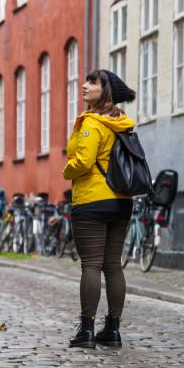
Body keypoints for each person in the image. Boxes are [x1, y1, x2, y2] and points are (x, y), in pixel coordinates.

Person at [63, 69, 136, 349]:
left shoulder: (91, 123)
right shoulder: (122, 122)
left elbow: (83, 161)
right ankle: (113, 329)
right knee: (113, 265)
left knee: (91, 265)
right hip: (121, 200)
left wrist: (66, 170)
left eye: (92, 82)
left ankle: (87, 331)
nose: (84, 85)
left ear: (105, 90)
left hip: (92, 200)